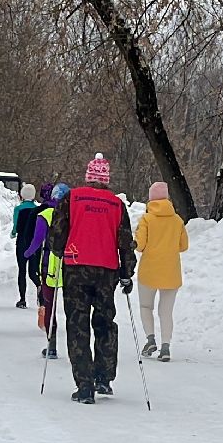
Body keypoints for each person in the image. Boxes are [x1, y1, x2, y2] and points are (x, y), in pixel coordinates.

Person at [46, 154, 135, 403]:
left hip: (76, 267)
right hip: (106, 271)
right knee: (105, 322)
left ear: (88, 177)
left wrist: (58, 250)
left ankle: (84, 385)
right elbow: (125, 242)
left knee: (78, 325)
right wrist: (127, 272)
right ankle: (104, 378)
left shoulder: (71, 198)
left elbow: (56, 236)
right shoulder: (116, 205)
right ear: (106, 180)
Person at [134, 180, 188, 362]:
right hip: (171, 272)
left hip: (149, 270)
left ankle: (150, 339)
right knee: (166, 312)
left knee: (145, 306)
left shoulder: (146, 219)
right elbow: (184, 246)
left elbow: (139, 246)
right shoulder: (177, 220)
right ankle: (166, 347)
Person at [24, 183, 68, 359]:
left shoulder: (45, 215)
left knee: (50, 304)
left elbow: (37, 241)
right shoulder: (74, 215)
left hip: (49, 265)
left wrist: (27, 254)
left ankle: (52, 345)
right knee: (73, 307)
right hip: (72, 263)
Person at [11, 184, 42, 309]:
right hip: (35, 243)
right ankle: (40, 290)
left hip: (22, 242)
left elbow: (16, 226)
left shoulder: (19, 209)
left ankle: (22, 299)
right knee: (34, 271)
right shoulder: (38, 209)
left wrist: (13, 233)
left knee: (22, 271)